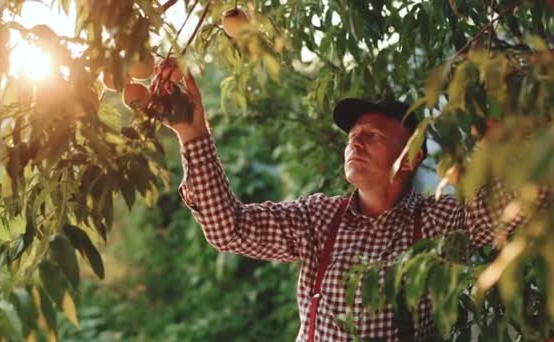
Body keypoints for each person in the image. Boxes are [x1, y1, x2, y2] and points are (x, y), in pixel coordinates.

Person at [156, 62, 536, 341]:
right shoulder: (319, 219)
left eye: (372, 135)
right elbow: (230, 229)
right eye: (353, 135)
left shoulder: (437, 224)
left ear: (412, 156)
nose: (355, 141)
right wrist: (192, 133)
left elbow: (523, 197)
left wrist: (518, 130)